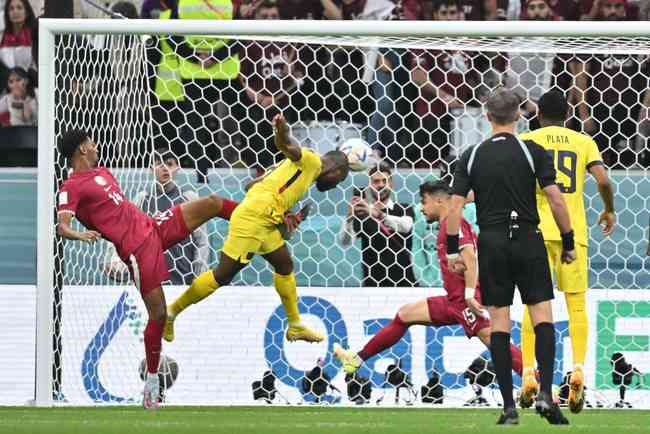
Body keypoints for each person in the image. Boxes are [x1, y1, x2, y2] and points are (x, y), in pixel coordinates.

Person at [56, 129, 240, 409]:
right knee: (158, 314)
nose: (95, 146)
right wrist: (80, 235)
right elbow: (62, 225)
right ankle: (152, 383)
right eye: (91, 143)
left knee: (213, 203)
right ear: (82, 149)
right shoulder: (71, 186)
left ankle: (268, 220)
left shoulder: (103, 172)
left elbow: (118, 213)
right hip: (137, 250)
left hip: (153, 226)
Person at [446, 88, 575, 425]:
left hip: (493, 241)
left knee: (500, 322)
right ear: (519, 116)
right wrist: (569, 240)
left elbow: (455, 206)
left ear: (487, 116)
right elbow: (556, 199)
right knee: (542, 317)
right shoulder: (532, 150)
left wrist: (449, 250)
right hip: (529, 239)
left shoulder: (472, 155)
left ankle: (508, 407)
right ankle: (546, 394)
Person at [164, 114, 350, 345]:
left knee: (284, 264)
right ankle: (171, 311)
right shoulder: (312, 161)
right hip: (254, 219)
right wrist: (281, 130)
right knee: (222, 275)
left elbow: (250, 185)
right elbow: (287, 145)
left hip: (264, 219)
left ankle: (295, 325)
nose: (335, 185)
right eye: (339, 181)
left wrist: (280, 210)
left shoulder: (294, 170)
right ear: (337, 171)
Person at [334, 180, 524, 382]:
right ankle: (356, 359)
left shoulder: (454, 223)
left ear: (439, 200)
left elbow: (470, 256)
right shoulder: (446, 224)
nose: (421, 208)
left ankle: (539, 383)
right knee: (405, 314)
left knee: (496, 343)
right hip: (453, 300)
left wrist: (469, 294)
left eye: (424, 202)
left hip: (467, 300)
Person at [518, 90, 616, 413]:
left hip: (535, 232)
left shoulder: (527, 139)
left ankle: (529, 371)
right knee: (576, 305)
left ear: (539, 114)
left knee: (535, 305)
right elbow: (602, 178)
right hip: (573, 231)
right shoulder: (583, 142)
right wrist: (609, 208)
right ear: (567, 115)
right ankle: (577, 369)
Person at [104, 149, 210, 285]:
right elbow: (125, 234)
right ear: (151, 168)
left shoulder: (189, 198)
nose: (165, 168)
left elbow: (202, 241)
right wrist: (117, 263)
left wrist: (199, 275)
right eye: (160, 164)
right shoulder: (142, 200)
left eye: (170, 164)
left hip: (184, 280)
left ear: (177, 168)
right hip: (149, 282)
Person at [338, 162, 417, 287]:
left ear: (391, 184)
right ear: (370, 185)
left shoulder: (404, 208)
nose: (380, 185)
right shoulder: (363, 214)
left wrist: (378, 214)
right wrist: (349, 218)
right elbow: (345, 242)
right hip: (373, 284)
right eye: (376, 181)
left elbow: (406, 226)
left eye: (384, 181)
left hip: (404, 282)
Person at [0, 0, 37, 90]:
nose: (15, 11)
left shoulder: (35, 35)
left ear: (27, 12)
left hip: (31, 89)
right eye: (11, 9)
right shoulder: (2, 37)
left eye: (19, 8)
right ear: (7, 13)